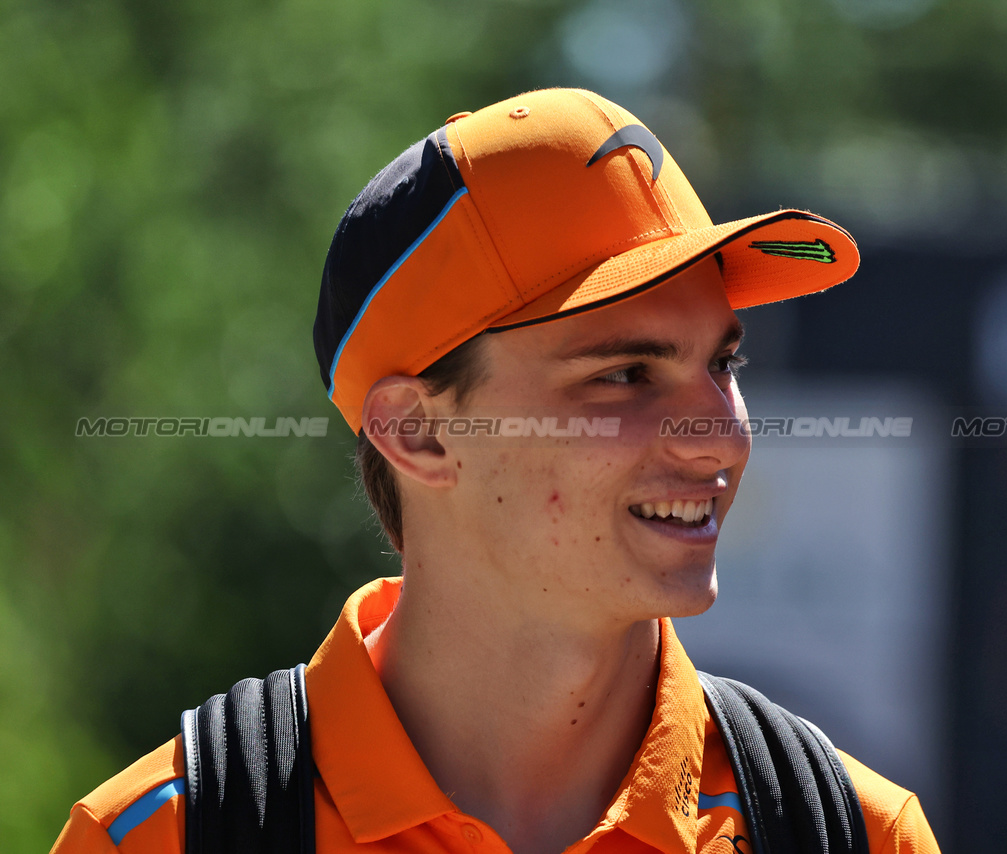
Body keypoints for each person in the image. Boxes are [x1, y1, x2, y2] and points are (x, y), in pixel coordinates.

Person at [51, 88, 940, 854]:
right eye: (624, 374)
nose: (721, 436)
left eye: (725, 365)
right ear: (418, 434)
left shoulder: (851, 832)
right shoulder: (166, 836)